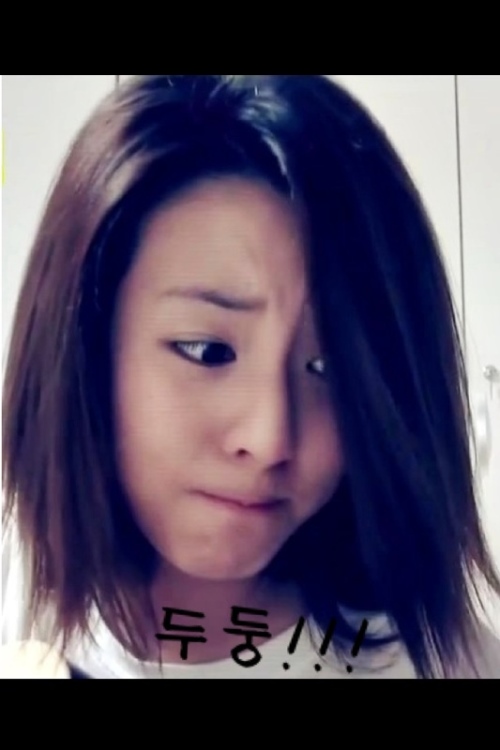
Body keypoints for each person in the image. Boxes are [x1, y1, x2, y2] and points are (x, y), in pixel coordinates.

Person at [2, 74, 500, 679]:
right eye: (208, 351)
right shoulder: (27, 621)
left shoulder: (438, 661)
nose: (269, 439)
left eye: (330, 370)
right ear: (84, 345)